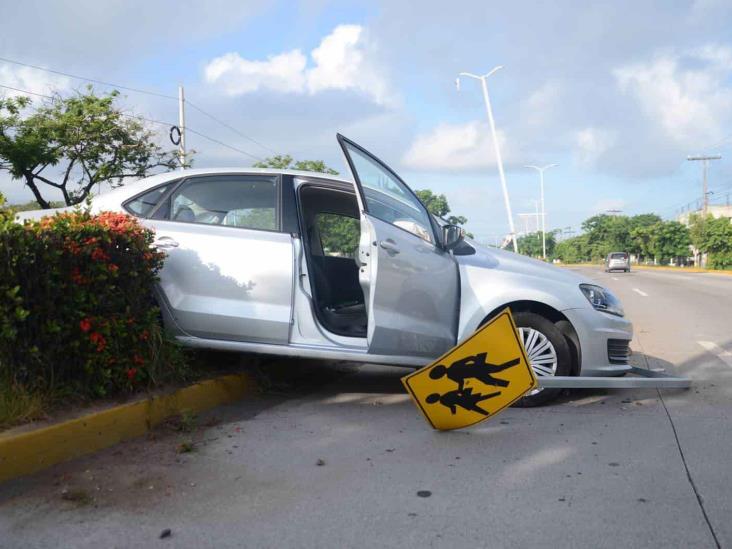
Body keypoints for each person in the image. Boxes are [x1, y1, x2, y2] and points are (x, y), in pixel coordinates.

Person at [429, 352, 520, 389]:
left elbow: (469, 358)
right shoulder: (451, 374)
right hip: (477, 373)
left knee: (498, 369)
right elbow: (461, 382)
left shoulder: (454, 366)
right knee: (489, 380)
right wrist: (460, 390)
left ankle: (518, 361)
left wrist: (478, 361)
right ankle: (510, 385)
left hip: (478, 368)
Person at [425, 388, 501, 416]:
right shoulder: (447, 394)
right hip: (466, 398)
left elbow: (453, 406)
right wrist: (465, 392)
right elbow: (458, 391)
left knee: (477, 408)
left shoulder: (443, 402)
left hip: (464, 403)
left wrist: (453, 414)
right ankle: (497, 393)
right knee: (483, 398)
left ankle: (487, 414)